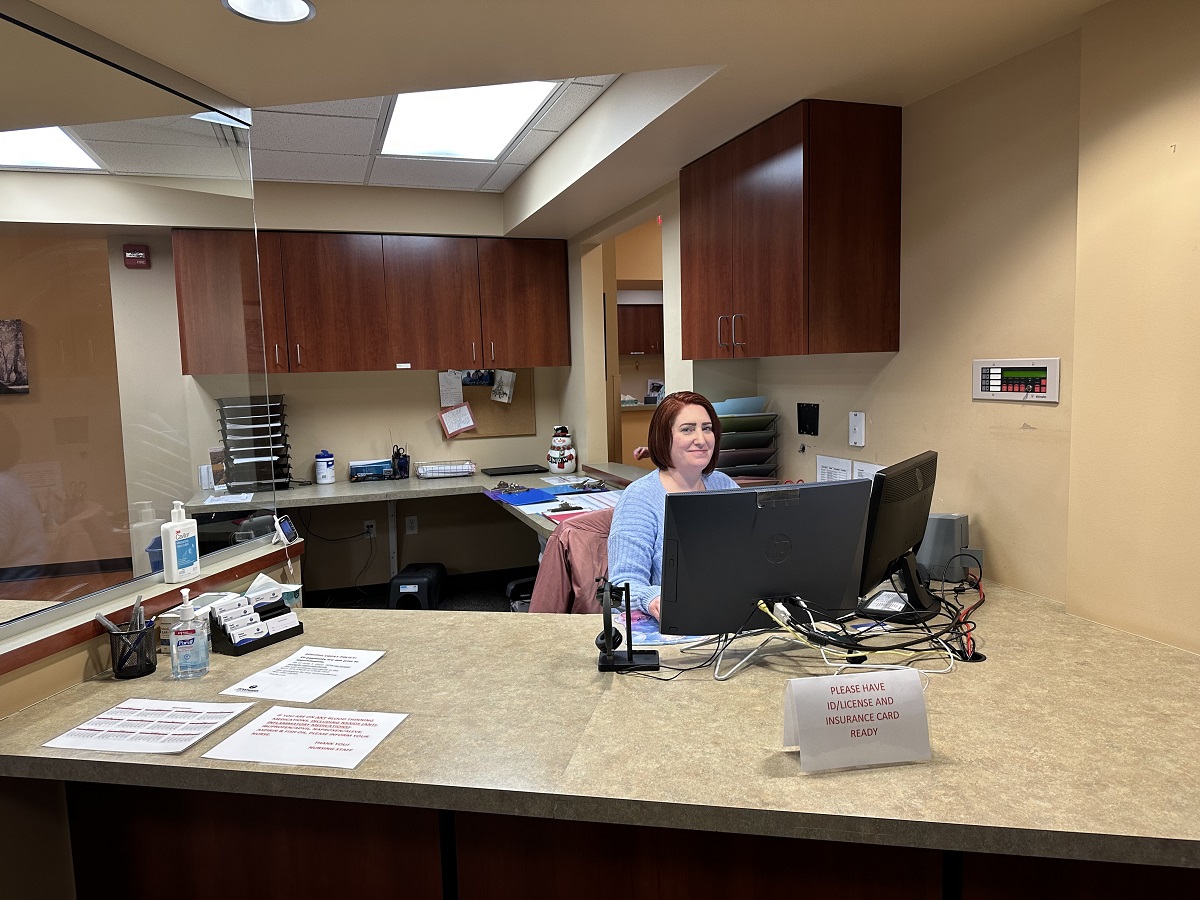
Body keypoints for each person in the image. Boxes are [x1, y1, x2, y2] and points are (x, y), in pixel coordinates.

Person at [608, 391, 737, 621]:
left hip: (729, 615)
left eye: (707, 428)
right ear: (664, 438)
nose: (701, 439)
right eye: (687, 429)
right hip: (672, 626)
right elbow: (621, 586)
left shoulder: (723, 485)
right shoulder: (639, 498)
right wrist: (653, 599)